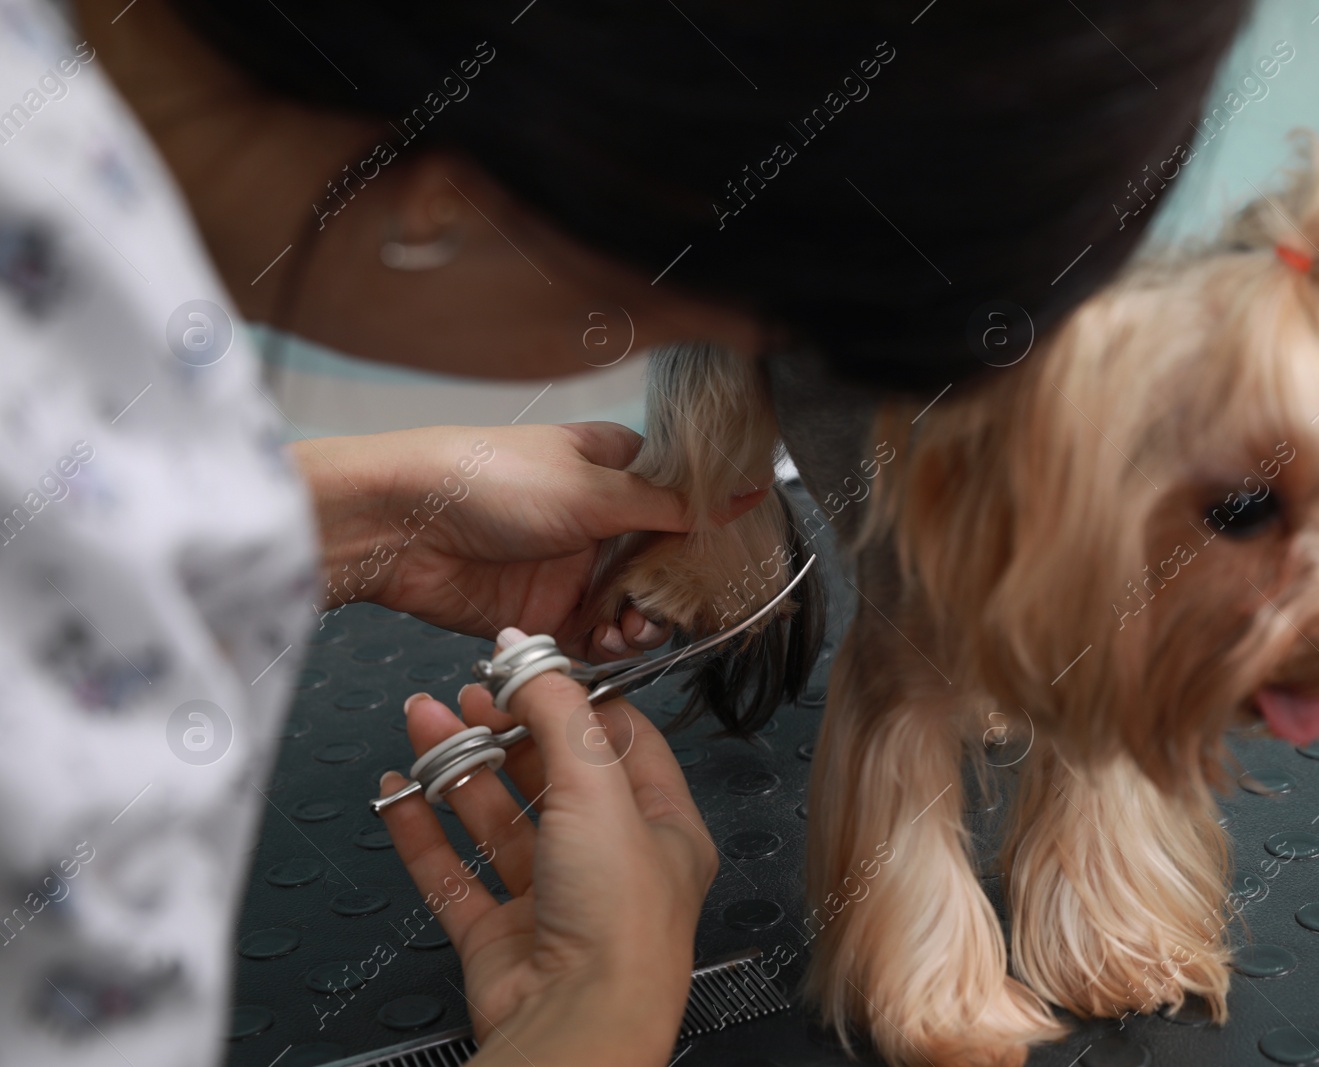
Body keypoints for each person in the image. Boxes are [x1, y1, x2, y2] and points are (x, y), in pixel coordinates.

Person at [0, 0, 1250, 1063]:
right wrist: (596, 1023)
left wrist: (353, 523)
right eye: (786, 319)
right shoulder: (97, 522)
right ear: (457, 196)